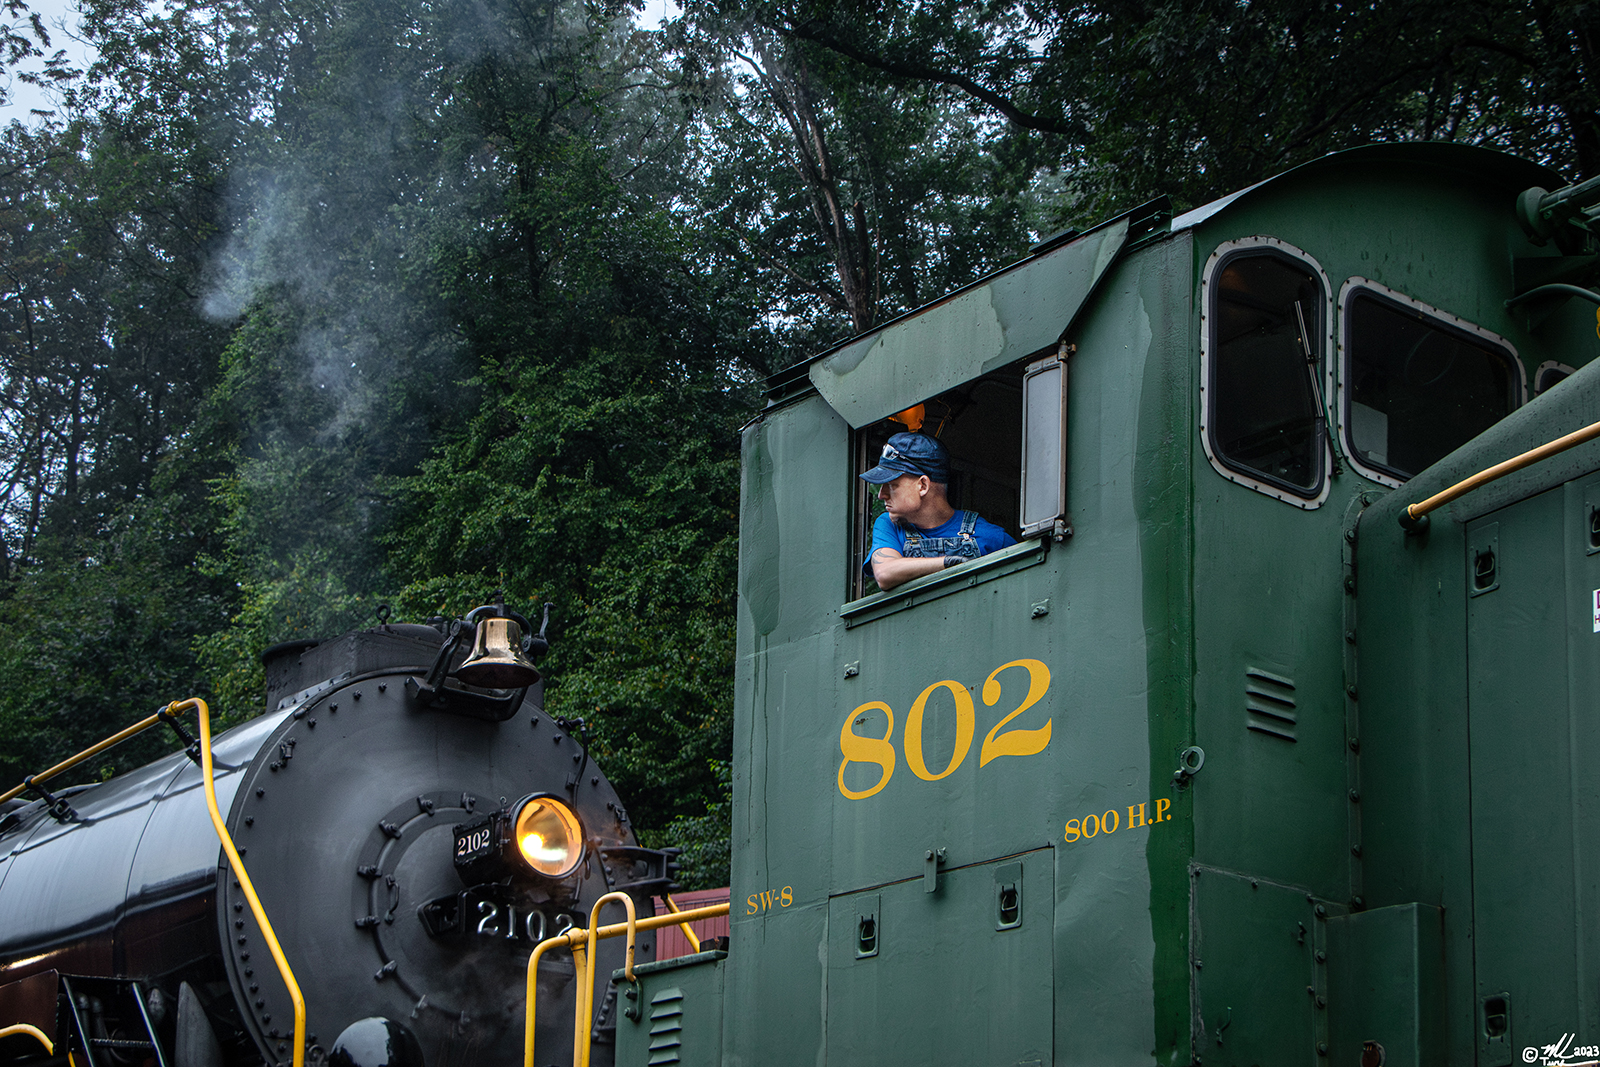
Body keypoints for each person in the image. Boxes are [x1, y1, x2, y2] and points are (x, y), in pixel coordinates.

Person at [860, 432, 1016, 591]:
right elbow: (885, 573)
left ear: (923, 486)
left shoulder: (992, 537)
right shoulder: (889, 525)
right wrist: (949, 563)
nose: (881, 495)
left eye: (892, 485)